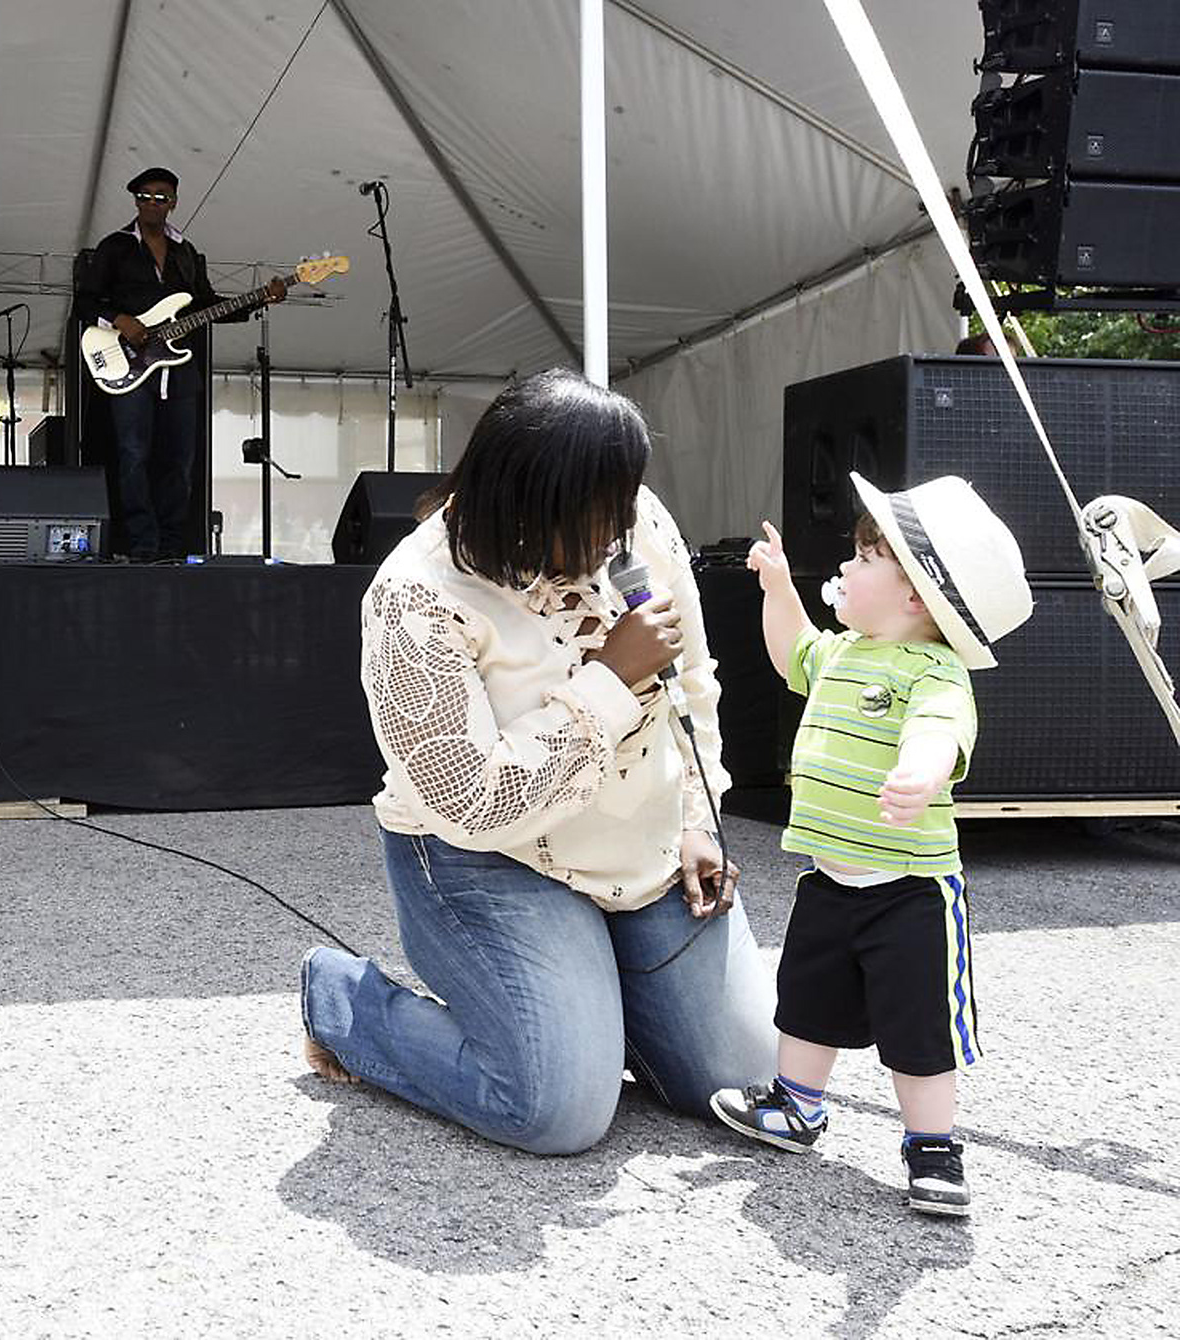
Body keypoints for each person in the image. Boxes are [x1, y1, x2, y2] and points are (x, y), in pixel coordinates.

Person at [299, 369, 776, 1155]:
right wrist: (610, 681)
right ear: (524, 503)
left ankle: (586, 1002)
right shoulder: (414, 595)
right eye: (597, 514)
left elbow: (694, 688)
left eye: (625, 503)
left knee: (743, 1078)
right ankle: (344, 1001)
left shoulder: (638, 522)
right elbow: (472, 802)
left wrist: (700, 820)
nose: (619, 531)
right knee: (553, 1110)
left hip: (643, 851)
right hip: (492, 858)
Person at [710, 474, 1033, 1216]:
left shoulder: (934, 670)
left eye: (862, 559)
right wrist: (777, 589)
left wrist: (920, 773)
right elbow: (792, 651)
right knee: (805, 1002)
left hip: (910, 889)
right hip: (829, 877)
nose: (846, 570)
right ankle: (798, 1105)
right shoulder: (844, 652)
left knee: (919, 1025)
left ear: (916, 595)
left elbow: (939, 728)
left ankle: (934, 1146)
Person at [74, 167, 285, 561]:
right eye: (145, 196)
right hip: (132, 367)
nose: (152, 203)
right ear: (136, 200)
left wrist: (259, 299)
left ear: (173, 203)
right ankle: (142, 545)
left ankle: (172, 547)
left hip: (180, 374)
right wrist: (122, 320)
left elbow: (206, 305)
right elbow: (86, 302)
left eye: (161, 197)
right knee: (133, 455)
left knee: (181, 463)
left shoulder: (186, 253)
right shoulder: (115, 247)